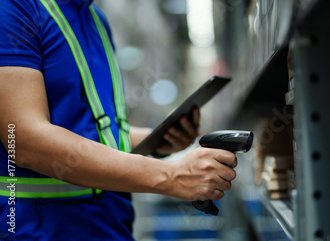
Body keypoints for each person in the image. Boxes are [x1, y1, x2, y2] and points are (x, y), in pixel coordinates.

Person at [0, 0, 237, 240]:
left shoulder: (96, 19)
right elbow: (23, 140)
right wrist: (172, 175)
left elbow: (96, 131)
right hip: (38, 229)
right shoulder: (14, 8)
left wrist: (157, 139)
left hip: (111, 227)